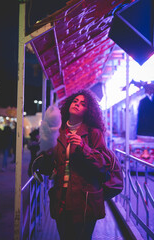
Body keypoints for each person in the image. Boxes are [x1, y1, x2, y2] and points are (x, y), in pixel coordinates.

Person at [32, 89, 119, 240]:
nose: (77, 104)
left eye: (83, 104)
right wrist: (46, 155)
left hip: (84, 200)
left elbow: (102, 163)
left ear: (88, 110)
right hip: (61, 198)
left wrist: (83, 147)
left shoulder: (93, 133)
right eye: (75, 101)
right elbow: (49, 168)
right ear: (69, 105)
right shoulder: (58, 132)